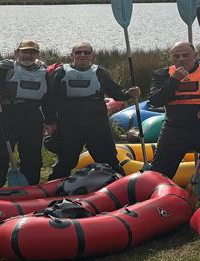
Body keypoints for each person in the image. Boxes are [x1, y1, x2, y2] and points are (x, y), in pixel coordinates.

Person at [44, 43, 139, 179]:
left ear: (92, 56)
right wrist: (50, 121)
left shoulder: (100, 73)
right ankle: (54, 188)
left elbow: (116, 93)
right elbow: (50, 99)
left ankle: (120, 186)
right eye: (78, 52)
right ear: (72, 55)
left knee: (109, 160)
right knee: (66, 162)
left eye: (86, 52)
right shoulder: (60, 73)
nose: (82, 55)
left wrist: (129, 93)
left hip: (97, 124)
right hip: (69, 125)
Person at [148, 41, 200, 190]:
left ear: (195, 55)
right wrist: (174, 80)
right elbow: (156, 100)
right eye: (176, 56)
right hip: (175, 129)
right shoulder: (162, 75)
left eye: (185, 55)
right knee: (160, 170)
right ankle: (153, 197)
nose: (181, 59)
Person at [0, 39, 48, 186]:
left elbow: (48, 98)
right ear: (16, 53)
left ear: (37, 54)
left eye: (32, 52)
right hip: (6, 115)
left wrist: (50, 120)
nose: (28, 56)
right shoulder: (3, 68)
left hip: (32, 117)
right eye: (25, 52)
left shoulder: (44, 71)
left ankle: (30, 188)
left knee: (32, 158)